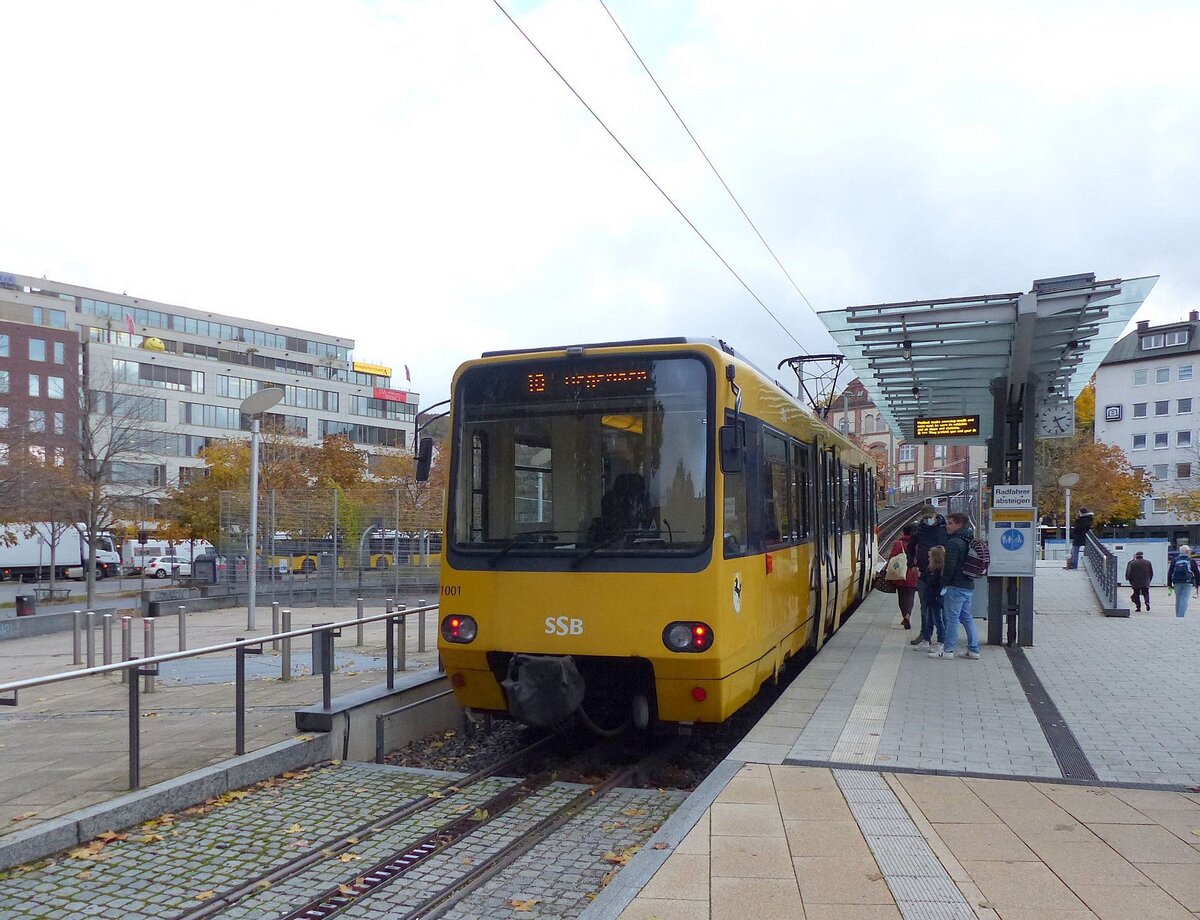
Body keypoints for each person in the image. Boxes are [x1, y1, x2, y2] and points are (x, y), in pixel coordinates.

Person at [929, 512, 980, 660]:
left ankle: (948, 650)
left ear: (959, 524)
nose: (948, 526)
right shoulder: (969, 540)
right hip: (968, 585)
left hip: (955, 586)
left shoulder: (953, 543)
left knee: (952, 619)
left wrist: (944, 583)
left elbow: (949, 566)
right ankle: (974, 650)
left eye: (951, 523)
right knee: (967, 617)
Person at [908, 504, 947, 650]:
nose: (928, 519)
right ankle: (925, 636)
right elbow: (911, 548)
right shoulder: (918, 529)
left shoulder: (944, 527)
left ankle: (943, 638)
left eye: (930, 517)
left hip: (940, 573)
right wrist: (912, 565)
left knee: (940, 607)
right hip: (923, 572)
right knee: (925, 605)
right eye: (925, 517)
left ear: (935, 514)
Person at [887, 522, 919, 629]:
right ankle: (908, 615)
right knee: (910, 596)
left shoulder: (898, 543)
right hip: (913, 572)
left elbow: (892, 557)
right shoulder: (918, 543)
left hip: (900, 573)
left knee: (901, 596)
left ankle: (904, 615)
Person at [924, 544, 947, 650]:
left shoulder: (937, 572)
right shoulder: (933, 570)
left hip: (935, 599)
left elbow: (933, 585)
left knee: (938, 620)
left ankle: (941, 640)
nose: (928, 559)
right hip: (932, 599)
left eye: (930, 557)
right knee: (929, 620)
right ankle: (926, 639)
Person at [1167, 545, 1200, 618]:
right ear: (1187, 551)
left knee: (1178, 599)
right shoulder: (1191, 561)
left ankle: (1178, 614)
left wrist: (1169, 584)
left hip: (1176, 582)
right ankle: (1180, 616)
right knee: (1184, 599)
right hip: (1187, 582)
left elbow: (1170, 572)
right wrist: (1197, 584)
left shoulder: (1175, 560)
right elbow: (1197, 573)